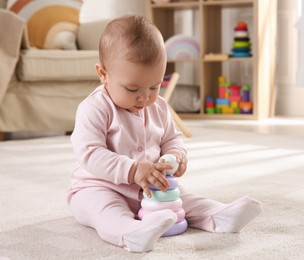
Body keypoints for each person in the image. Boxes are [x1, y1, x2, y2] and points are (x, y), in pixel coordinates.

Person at [67, 14, 262, 253]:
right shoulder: (95, 108)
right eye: (132, 88)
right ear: (103, 73)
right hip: (98, 187)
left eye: (155, 86)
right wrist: (133, 170)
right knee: (105, 210)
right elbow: (90, 153)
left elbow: (172, 138)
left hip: (151, 187)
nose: (145, 97)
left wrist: (176, 156)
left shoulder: (157, 106)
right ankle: (131, 233)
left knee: (184, 200)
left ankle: (218, 215)